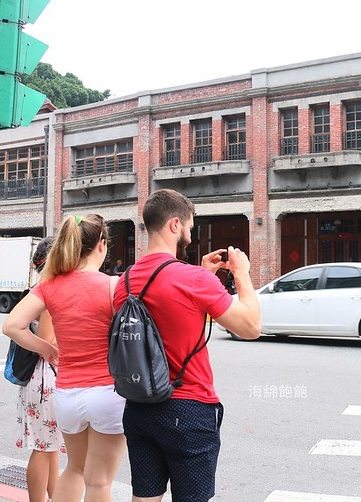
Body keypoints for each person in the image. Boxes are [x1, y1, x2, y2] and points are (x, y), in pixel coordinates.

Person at [113, 189, 261, 502]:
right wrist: (242, 274)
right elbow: (250, 327)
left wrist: (204, 275)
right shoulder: (191, 279)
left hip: (138, 407)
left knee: (145, 497)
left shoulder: (124, 282)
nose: (191, 237)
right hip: (188, 407)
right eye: (190, 228)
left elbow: (169, 314)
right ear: (175, 224)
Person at [4, 214, 126, 502]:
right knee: (99, 482)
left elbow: (12, 326)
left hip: (67, 395)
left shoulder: (50, 285)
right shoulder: (114, 286)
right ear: (102, 245)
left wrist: (45, 349)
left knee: (74, 470)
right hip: (107, 392)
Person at [13, 236, 63, 502]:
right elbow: (46, 340)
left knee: (49, 447)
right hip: (46, 377)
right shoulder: (49, 290)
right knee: (44, 448)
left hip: (40, 376)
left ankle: (56, 498)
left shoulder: (39, 287)